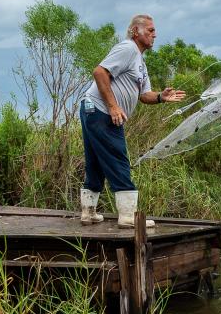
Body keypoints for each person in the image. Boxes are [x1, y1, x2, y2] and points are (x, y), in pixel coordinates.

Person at [79, 14, 186, 228]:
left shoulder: (140, 62)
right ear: (136, 31)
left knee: (96, 162)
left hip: (93, 111)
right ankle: (129, 217)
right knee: (118, 158)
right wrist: (113, 106)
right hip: (102, 111)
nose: (155, 34)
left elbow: (144, 95)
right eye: (150, 30)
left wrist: (160, 97)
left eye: (155, 31)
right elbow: (99, 72)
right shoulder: (127, 49)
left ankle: (88, 212)